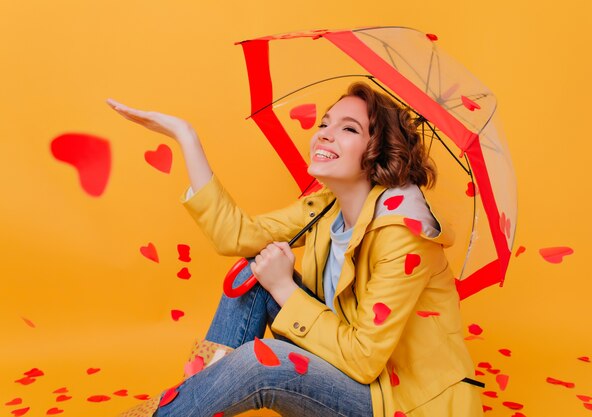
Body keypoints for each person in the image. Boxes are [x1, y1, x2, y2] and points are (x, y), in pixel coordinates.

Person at [107, 82, 483, 417]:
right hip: (346, 363)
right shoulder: (325, 206)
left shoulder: (403, 233)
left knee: (261, 361)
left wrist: (284, 287)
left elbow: (365, 359)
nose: (325, 135)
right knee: (251, 271)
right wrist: (186, 137)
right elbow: (236, 236)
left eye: (348, 129)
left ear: (380, 152)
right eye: (324, 123)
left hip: (395, 401)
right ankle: (195, 404)